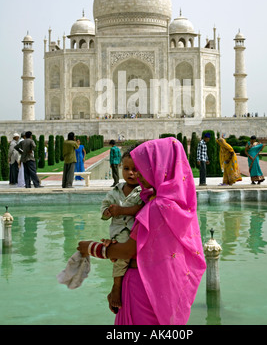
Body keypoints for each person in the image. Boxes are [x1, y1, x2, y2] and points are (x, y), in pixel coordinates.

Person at [78, 137, 206, 325]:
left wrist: (89, 248)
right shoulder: (177, 203)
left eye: (143, 168)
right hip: (165, 285)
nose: (139, 175)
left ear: (158, 168)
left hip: (142, 287)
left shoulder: (157, 207)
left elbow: (129, 250)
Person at [101, 147, 143, 311]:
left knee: (123, 256)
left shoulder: (144, 190)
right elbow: (105, 207)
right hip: (120, 232)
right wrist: (107, 212)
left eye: (135, 169)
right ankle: (116, 287)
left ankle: (117, 288)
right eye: (126, 169)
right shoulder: (116, 190)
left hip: (135, 232)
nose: (131, 173)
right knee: (121, 258)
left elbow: (141, 208)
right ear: (121, 168)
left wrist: (121, 211)